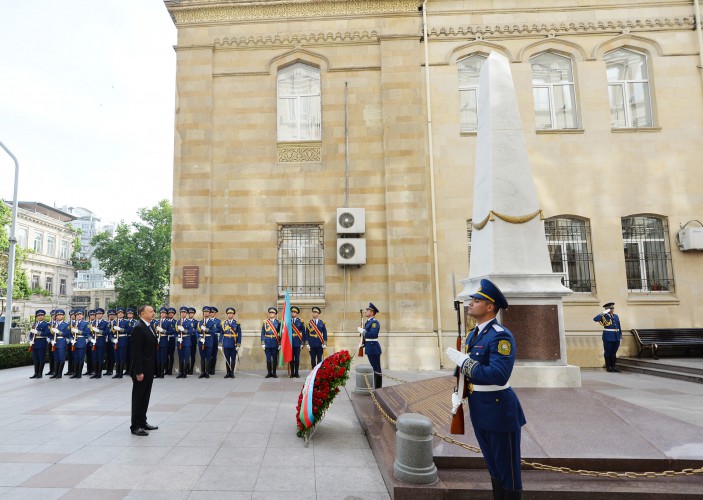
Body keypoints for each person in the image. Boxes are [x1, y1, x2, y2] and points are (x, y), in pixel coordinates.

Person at [446, 279, 526, 499]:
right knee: (493, 467)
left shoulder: (500, 335)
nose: (470, 303)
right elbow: (466, 372)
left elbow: (499, 376)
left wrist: (465, 362)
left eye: (476, 300)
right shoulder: (474, 335)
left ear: (490, 307)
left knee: (507, 471)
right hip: (480, 409)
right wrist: (459, 390)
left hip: (500, 411)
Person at [130, 304, 158, 436]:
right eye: (151, 311)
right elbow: (136, 352)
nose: (153, 312)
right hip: (141, 371)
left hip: (149, 368)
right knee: (138, 398)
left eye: (153, 311)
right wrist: (138, 371)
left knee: (145, 398)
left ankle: (142, 422)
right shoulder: (138, 328)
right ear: (142, 314)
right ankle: (135, 426)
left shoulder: (148, 326)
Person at [594, 302, 622, 373]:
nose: (612, 310)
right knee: (608, 352)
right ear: (606, 309)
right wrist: (604, 313)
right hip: (608, 337)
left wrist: (620, 336)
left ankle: (613, 366)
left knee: (614, 352)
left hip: (616, 337)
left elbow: (619, 326)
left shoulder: (616, 316)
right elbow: (595, 319)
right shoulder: (604, 316)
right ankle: (608, 366)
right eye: (610, 308)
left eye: (613, 308)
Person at [358, 303, 382, 388]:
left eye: (368, 310)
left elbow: (373, 334)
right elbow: (366, 336)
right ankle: (377, 388)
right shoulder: (368, 322)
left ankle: (379, 389)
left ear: (372, 312)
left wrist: (363, 332)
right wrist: (362, 344)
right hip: (369, 347)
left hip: (373, 348)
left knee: (377, 369)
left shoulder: (374, 322)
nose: (366, 311)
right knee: (374, 368)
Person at [69, 309, 91, 379]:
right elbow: (69, 334)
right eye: (77, 315)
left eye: (80, 314)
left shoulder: (86, 323)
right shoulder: (72, 324)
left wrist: (78, 331)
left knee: (81, 358)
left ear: (82, 315)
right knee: (75, 358)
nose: (79, 316)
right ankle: (75, 373)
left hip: (81, 342)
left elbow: (87, 333)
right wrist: (71, 339)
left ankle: (79, 373)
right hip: (74, 342)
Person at [28, 309, 50, 379]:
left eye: (42, 315)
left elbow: (47, 333)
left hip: (41, 342)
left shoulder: (47, 324)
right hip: (35, 343)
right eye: (39, 315)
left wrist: (38, 332)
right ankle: (35, 373)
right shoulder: (35, 324)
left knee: (41, 359)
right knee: (36, 359)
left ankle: (40, 373)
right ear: (37, 316)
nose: (40, 317)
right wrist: (31, 339)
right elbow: (31, 334)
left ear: (44, 316)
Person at [220, 307, 241, 378]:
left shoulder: (237, 323)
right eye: (228, 313)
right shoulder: (223, 323)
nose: (229, 315)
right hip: (226, 343)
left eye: (231, 313)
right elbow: (221, 334)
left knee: (233, 358)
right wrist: (220, 343)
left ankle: (232, 372)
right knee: (227, 359)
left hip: (234, 343)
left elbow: (239, 334)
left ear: (233, 314)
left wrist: (238, 344)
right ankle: (228, 372)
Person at [49, 309, 70, 379]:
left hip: (61, 342)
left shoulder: (66, 324)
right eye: (57, 315)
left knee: (61, 358)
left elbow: (67, 333)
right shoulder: (53, 324)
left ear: (63, 316)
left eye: (60, 315)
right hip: (54, 342)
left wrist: (59, 332)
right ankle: (55, 372)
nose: (59, 316)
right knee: (56, 358)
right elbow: (50, 334)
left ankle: (59, 373)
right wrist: (51, 340)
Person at [261, 307, 280, 378]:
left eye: (273, 313)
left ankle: (274, 373)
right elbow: (262, 332)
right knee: (268, 359)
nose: (271, 314)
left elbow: (280, 333)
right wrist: (263, 343)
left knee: (275, 359)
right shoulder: (265, 322)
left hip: (275, 342)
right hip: (267, 342)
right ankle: (269, 372)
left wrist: (280, 343)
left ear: (275, 314)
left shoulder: (278, 322)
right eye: (270, 313)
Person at [175, 306, 192, 379]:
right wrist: (177, 338)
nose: (183, 313)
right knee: (180, 357)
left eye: (184, 312)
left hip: (186, 341)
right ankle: (180, 372)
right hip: (180, 341)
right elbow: (175, 332)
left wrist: (184, 330)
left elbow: (191, 332)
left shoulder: (189, 322)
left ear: (187, 313)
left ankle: (185, 372)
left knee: (186, 357)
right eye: (182, 312)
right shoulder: (177, 322)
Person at [197, 306, 213, 378]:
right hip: (201, 341)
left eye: (207, 312)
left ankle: (207, 372)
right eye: (205, 312)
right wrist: (199, 338)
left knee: (208, 357)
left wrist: (207, 330)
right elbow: (196, 331)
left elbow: (215, 331)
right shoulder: (200, 322)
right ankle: (202, 372)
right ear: (203, 313)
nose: (206, 313)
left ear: (209, 313)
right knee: (202, 357)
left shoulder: (212, 322)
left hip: (209, 341)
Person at [289, 306, 304, 378]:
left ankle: (296, 372)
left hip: (297, 342)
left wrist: (302, 343)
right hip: (290, 343)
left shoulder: (300, 321)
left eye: (294, 312)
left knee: (297, 359)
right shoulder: (288, 321)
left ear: (297, 313)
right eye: (292, 312)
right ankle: (292, 372)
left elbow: (303, 332)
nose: (293, 313)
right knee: (291, 359)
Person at [208, 306, 221, 375]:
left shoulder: (218, 321)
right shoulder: (207, 320)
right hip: (208, 338)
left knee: (214, 354)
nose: (212, 314)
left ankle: (213, 369)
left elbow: (220, 329)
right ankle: (208, 368)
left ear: (215, 313)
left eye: (213, 312)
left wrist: (214, 330)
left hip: (215, 338)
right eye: (211, 312)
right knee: (208, 354)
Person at [187, 307, 198, 374]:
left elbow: (196, 330)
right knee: (187, 355)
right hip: (187, 339)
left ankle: (191, 369)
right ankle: (187, 368)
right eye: (190, 313)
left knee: (192, 355)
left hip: (193, 340)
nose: (191, 314)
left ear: (194, 314)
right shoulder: (186, 321)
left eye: (192, 313)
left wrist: (192, 330)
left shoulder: (196, 322)